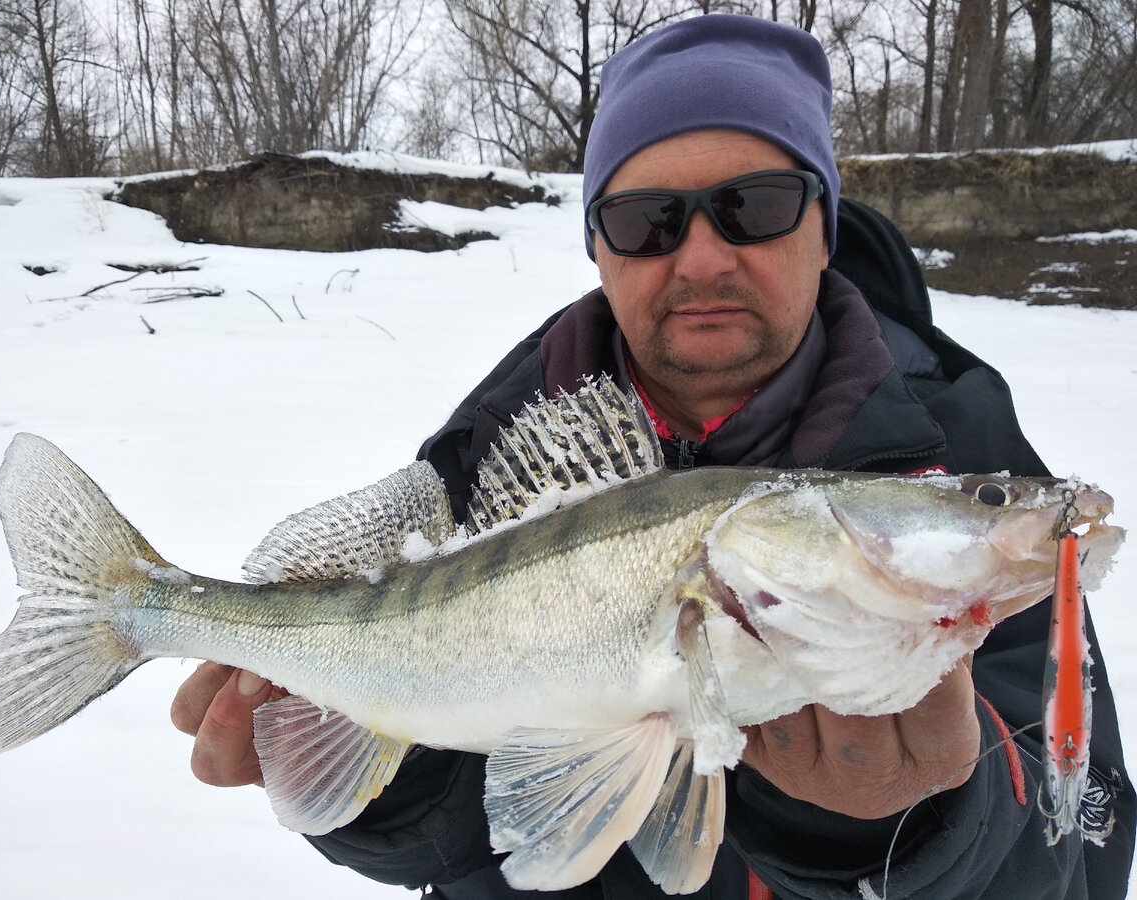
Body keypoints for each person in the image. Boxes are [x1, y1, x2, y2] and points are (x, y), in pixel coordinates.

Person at [170, 14, 1134, 899]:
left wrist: (905, 835)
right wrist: (379, 771)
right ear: (599, 246)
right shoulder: (495, 454)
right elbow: (469, 843)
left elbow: (1079, 848)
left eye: (753, 205)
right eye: (646, 220)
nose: (703, 257)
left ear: (824, 225)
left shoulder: (956, 452)